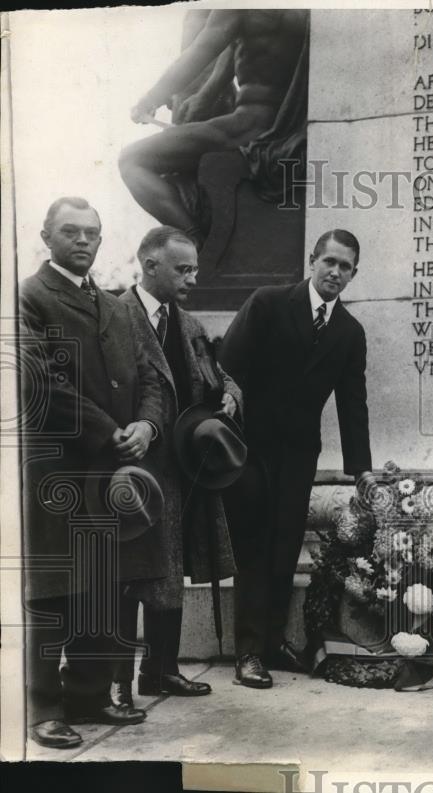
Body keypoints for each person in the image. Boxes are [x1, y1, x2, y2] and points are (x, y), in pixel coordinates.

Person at [19, 197, 163, 748]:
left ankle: (89, 693)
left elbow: (150, 377)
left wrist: (147, 426)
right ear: (47, 237)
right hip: (58, 470)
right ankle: (43, 707)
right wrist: (110, 430)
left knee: (99, 585)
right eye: (70, 231)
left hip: (110, 471)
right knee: (52, 591)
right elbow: (38, 381)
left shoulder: (116, 306)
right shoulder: (29, 297)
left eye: (92, 233)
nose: (82, 241)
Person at [219, 229, 373, 688]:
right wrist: (225, 407)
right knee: (254, 546)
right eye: (329, 262)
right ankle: (248, 651)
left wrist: (361, 469)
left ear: (354, 275)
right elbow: (227, 364)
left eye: (345, 267)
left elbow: (353, 402)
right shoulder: (267, 303)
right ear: (312, 261)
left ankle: (271, 642)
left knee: (286, 546)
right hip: (250, 448)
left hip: (300, 453)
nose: (335, 272)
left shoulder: (349, 332)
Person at [112, 227, 242, 706]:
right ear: (150, 266)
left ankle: (161, 671)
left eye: (195, 269)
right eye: (183, 269)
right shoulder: (115, 317)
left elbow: (218, 374)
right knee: (128, 577)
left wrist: (231, 394)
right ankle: (117, 682)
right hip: (133, 469)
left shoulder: (189, 325)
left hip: (183, 469)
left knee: (171, 571)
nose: (193, 278)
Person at [119, 9, 308, 244]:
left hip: (245, 126)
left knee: (131, 160)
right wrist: (207, 94)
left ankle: (196, 242)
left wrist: (150, 99)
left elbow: (200, 52)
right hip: (288, 127)